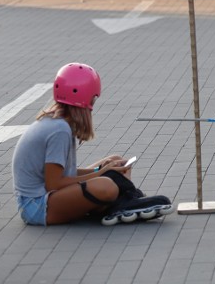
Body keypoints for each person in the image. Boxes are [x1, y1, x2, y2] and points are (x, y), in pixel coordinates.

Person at [11, 63, 173, 226]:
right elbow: (53, 184)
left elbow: (66, 174)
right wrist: (102, 173)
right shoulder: (59, 130)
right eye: (93, 99)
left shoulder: (57, 122)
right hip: (38, 207)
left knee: (115, 161)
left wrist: (101, 169)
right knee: (106, 186)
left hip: (42, 201)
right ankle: (118, 205)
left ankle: (121, 201)